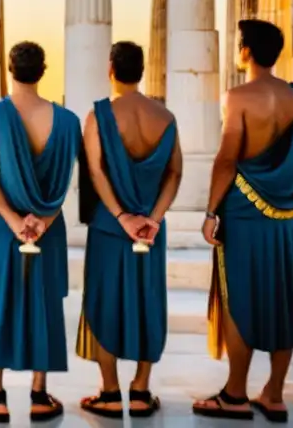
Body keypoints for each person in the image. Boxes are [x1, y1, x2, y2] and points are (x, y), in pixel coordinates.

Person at [192, 19, 293, 423]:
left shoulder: (238, 97)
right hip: (283, 215)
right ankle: (275, 394)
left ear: (245, 48)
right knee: (282, 296)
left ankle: (234, 395)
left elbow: (227, 158)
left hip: (243, 210)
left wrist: (211, 211)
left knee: (238, 297)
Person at [0, 41, 82, 424]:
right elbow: (67, 176)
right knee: (44, 304)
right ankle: (38, 395)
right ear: (42, 70)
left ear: (10, 70)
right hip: (48, 228)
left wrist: (14, 220)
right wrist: (45, 219)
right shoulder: (68, 120)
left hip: (5, 227)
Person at [77, 41, 183, 419]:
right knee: (146, 302)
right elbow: (175, 174)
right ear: (142, 70)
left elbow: (95, 171)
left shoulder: (98, 115)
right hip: (151, 231)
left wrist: (122, 216)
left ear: (111, 68)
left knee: (103, 303)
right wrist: (152, 218)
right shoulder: (166, 117)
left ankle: (109, 391)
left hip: (110, 227)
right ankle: (140, 390)